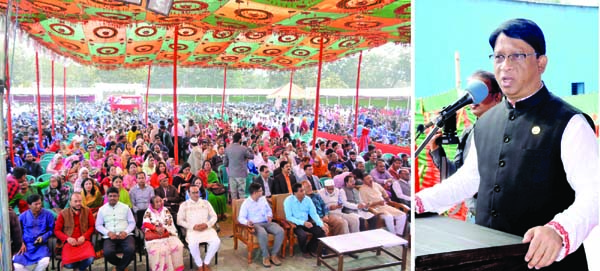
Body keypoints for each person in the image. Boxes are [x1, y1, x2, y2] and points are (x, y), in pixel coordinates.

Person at [417, 18, 599, 270]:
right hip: (486, 258)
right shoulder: (485, 121)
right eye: (499, 57)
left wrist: (560, 231)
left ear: (541, 62)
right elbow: (469, 180)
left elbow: (594, 193)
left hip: (545, 262)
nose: (505, 66)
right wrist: (420, 202)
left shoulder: (569, 122)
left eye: (517, 56)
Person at [237, 183, 284, 267]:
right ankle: (265, 256)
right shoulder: (246, 203)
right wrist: (247, 222)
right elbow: (241, 218)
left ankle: (274, 254)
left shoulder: (263, 199)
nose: (262, 192)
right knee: (262, 233)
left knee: (280, 231)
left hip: (266, 222)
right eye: (261, 191)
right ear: (255, 192)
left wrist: (270, 215)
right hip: (255, 224)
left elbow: (269, 210)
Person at [178, 185, 220, 271]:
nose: (196, 195)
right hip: (193, 230)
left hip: (206, 228)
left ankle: (206, 263)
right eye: (193, 193)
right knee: (192, 244)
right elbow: (179, 221)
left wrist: (207, 224)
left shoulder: (205, 203)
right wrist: (193, 226)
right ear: (189, 194)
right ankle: (199, 264)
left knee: (216, 241)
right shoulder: (184, 205)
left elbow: (214, 216)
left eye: (197, 192)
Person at [95, 187, 136, 271]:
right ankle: (122, 266)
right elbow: (98, 225)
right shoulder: (102, 209)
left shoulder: (125, 207)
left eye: (115, 196)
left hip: (125, 235)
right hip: (110, 236)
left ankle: (119, 269)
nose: (112, 198)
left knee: (130, 249)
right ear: (107, 196)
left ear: (118, 196)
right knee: (107, 252)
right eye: (110, 196)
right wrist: (108, 233)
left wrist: (126, 232)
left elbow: (132, 222)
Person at [54, 193, 96, 271]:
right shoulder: (63, 213)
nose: (78, 203)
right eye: (75, 201)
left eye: (80, 201)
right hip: (69, 242)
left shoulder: (87, 211)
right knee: (68, 264)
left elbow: (92, 227)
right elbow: (57, 230)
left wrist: (84, 236)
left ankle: (78, 269)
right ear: (70, 202)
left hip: (83, 241)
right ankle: (81, 269)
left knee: (90, 259)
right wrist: (67, 238)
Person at [142, 195, 185, 271]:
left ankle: (175, 268)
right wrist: (155, 228)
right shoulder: (148, 212)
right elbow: (146, 223)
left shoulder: (165, 209)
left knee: (178, 246)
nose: (159, 203)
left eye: (160, 201)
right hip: (154, 236)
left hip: (168, 233)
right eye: (157, 202)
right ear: (152, 204)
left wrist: (163, 229)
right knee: (159, 251)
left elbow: (169, 220)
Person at [13, 194, 54, 271]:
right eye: (36, 204)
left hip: (40, 246)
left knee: (45, 261)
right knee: (16, 266)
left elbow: (52, 230)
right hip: (25, 246)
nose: (39, 206)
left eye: (40, 203)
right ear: (29, 205)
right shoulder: (23, 216)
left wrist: (43, 237)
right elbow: (16, 232)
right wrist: (20, 242)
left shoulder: (48, 214)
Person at [284, 183, 326, 258]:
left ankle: (311, 248)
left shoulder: (308, 199)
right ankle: (304, 251)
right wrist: (303, 223)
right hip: (295, 224)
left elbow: (314, 214)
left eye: (303, 190)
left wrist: (321, 224)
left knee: (321, 231)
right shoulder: (288, 201)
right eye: (301, 191)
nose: (303, 192)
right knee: (302, 235)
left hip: (307, 221)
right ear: (295, 193)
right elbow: (289, 217)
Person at [224, 132, 254, 199]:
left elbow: (225, 163)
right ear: (240, 140)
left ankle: (234, 208)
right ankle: (241, 209)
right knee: (242, 193)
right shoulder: (243, 149)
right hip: (241, 174)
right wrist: (250, 149)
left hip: (232, 174)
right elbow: (252, 156)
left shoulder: (227, 149)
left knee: (233, 194)